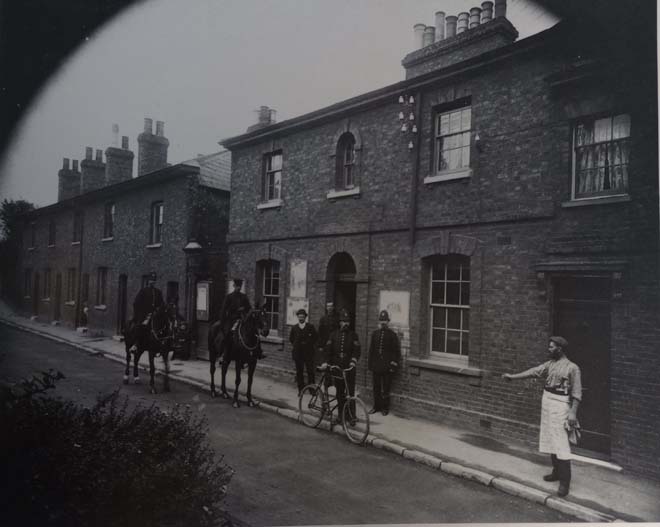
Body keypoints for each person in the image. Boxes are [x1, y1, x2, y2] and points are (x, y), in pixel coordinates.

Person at [502, 336, 582, 497]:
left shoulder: (572, 368)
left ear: (559, 349)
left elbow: (577, 393)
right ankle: (556, 473)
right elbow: (534, 372)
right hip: (547, 403)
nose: (549, 349)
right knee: (550, 439)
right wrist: (513, 376)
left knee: (560, 442)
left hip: (561, 405)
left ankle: (565, 482)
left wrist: (572, 412)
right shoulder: (550, 364)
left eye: (551, 347)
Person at [322, 308, 360, 424]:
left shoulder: (353, 335)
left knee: (350, 393)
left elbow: (357, 350)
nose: (346, 324)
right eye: (343, 321)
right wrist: (327, 363)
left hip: (349, 369)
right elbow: (328, 350)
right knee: (339, 393)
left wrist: (353, 361)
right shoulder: (333, 335)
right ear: (340, 322)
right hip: (337, 368)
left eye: (347, 321)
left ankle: (352, 416)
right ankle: (340, 416)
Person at [367, 310, 401, 416]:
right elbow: (371, 350)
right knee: (376, 387)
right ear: (379, 321)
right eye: (381, 320)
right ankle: (376, 406)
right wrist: (370, 364)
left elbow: (396, 352)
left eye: (385, 320)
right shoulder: (375, 334)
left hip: (387, 366)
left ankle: (385, 408)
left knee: (386, 388)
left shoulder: (392, 335)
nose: (383, 322)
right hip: (376, 366)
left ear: (388, 321)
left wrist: (393, 365)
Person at [130, 271, 165, 352]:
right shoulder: (143, 291)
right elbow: (136, 303)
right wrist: (139, 313)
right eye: (151, 280)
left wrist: (159, 309)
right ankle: (136, 344)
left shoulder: (158, 292)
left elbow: (161, 303)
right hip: (144, 314)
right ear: (148, 281)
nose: (152, 282)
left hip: (155, 314)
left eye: (154, 280)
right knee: (142, 325)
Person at [289, 308, 318, 395]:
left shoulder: (310, 327)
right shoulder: (294, 328)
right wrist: (297, 345)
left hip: (308, 353)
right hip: (298, 354)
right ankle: (300, 390)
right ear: (298, 317)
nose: (301, 318)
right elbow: (291, 339)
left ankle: (312, 390)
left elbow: (315, 337)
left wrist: (309, 344)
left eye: (302, 317)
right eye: (299, 317)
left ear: (305, 317)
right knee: (299, 372)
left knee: (310, 371)